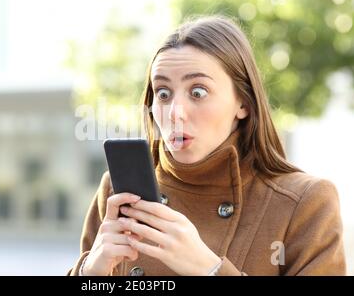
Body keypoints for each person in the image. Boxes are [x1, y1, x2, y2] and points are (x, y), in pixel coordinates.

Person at [67, 15, 346, 276]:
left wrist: (209, 268)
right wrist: (91, 272)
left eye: (198, 92)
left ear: (243, 103)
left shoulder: (305, 203)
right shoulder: (119, 192)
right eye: (163, 94)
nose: (175, 112)